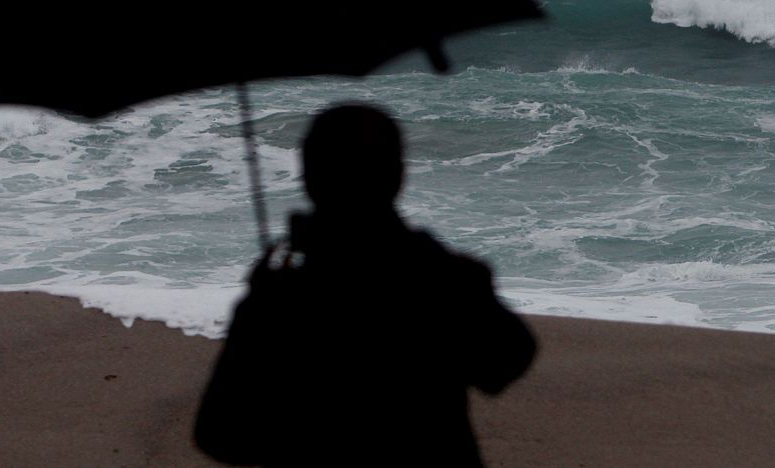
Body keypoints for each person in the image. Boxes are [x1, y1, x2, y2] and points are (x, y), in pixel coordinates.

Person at [194, 103, 537, 466]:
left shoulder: (280, 299)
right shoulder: (440, 280)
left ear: (308, 178)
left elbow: (219, 436)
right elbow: (506, 364)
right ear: (399, 176)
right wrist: (467, 283)